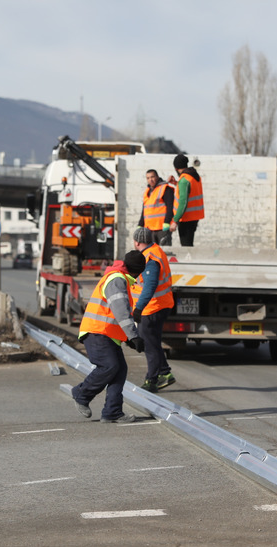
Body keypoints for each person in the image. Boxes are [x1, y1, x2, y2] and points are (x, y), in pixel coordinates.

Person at [71, 250, 147, 424]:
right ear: (138, 271)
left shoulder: (120, 279)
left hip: (106, 334)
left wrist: (128, 339)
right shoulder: (117, 280)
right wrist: (133, 336)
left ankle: (112, 412)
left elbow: (114, 314)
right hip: (97, 332)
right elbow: (120, 311)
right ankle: (81, 394)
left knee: (119, 370)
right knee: (109, 366)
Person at [131, 227, 176, 393]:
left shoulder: (150, 258)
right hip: (159, 304)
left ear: (137, 241)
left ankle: (151, 380)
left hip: (153, 307)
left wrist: (139, 308)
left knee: (149, 344)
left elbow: (149, 287)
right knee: (153, 341)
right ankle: (165, 373)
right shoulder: (155, 251)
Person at [170, 153, 205, 246]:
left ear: (176, 169)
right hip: (194, 217)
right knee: (189, 245)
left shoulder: (184, 180)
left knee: (186, 247)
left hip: (186, 219)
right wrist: (176, 183)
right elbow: (189, 191)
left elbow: (183, 202)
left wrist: (175, 220)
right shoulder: (193, 176)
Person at [137, 169, 175, 246]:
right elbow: (145, 210)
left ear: (157, 177)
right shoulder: (147, 191)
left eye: (152, 177)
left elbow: (170, 207)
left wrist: (167, 222)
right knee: (152, 252)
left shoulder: (165, 189)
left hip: (162, 228)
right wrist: (140, 224)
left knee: (164, 252)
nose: (150, 180)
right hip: (149, 229)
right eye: (148, 178)